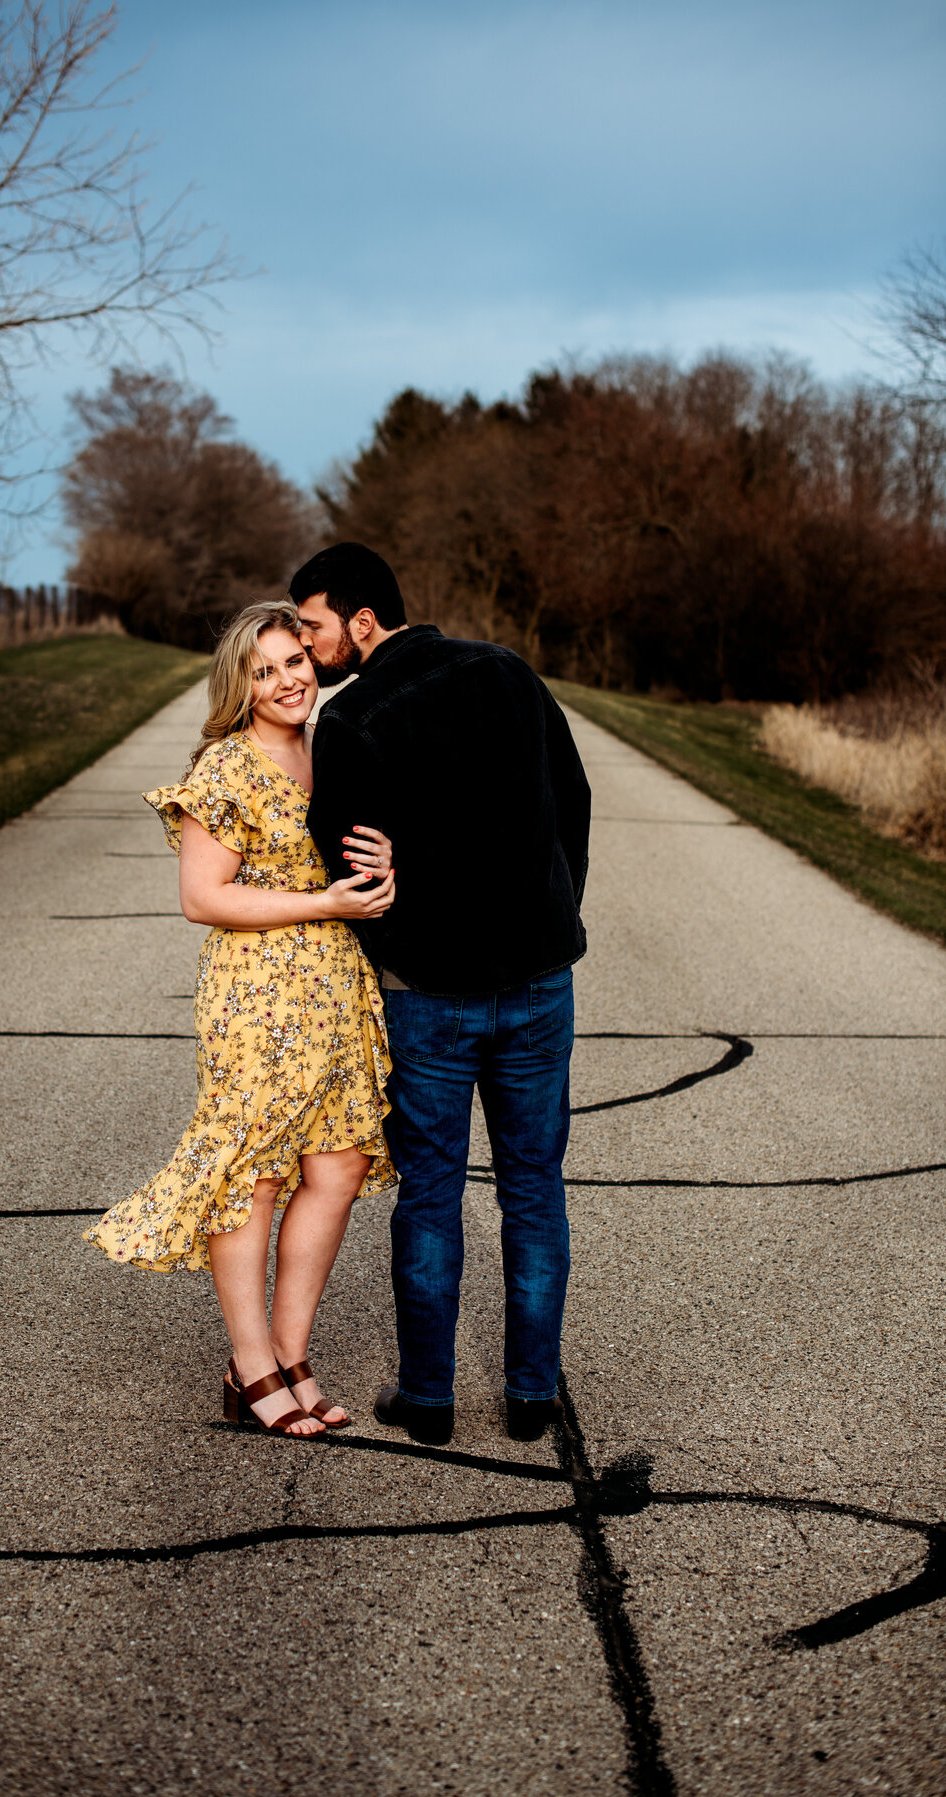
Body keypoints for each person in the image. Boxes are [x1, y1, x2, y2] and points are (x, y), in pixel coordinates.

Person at [291, 543, 591, 1446]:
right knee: (534, 1189)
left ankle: (429, 1400)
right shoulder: (508, 672)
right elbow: (571, 798)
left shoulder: (351, 724)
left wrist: (403, 930)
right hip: (540, 982)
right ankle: (531, 1400)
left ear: (364, 620)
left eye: (311, 626)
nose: (306, 648)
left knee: (430, 1193)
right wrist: (551, 912)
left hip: (426, 998)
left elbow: (344, 871)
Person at [84, 598, 397, 1438]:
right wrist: (323, 899)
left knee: (335, 1169)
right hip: (258, 995)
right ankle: (251, 1364)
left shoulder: (330, 748)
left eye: (295, 660)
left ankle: (292, 1358)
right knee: (254, 1176)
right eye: (265, 671)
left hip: (336, 987)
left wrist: (381, 872)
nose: (288, 680)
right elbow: (201, 898)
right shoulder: (227, 767)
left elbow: (360, 847)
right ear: (241, 685)